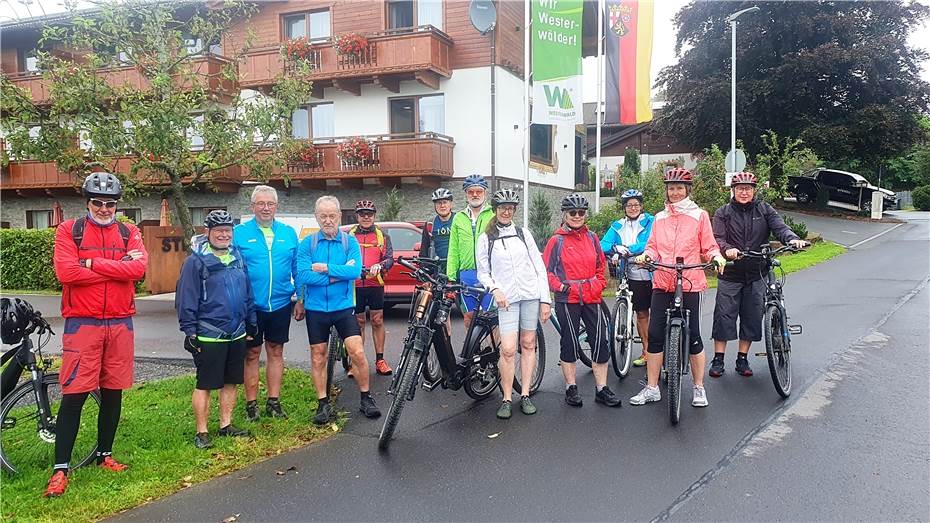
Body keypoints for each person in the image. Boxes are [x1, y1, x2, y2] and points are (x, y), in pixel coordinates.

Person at [46, 172, 148, 497]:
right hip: (82, 323)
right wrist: (115, 265)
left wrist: (90, 263)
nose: (104, 208)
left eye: (110, 203)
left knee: (113, 392)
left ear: (117, 205)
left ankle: (105, 455)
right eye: (98, 203)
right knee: (74, 395)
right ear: (88, 202)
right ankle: (60, 469)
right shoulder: (69, 231)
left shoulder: (129, 231)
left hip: (120, 322)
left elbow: (138, 270)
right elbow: (66, 272)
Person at [630, 168, 726, 409]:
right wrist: (646, 255)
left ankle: (698, 387)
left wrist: (716, 256)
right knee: (655, 335)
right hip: (663, 279)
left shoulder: (699, 215)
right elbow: (653, 246)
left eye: (679, 188)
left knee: (693, 334)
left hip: (691, 280)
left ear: (687, 190)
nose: (675, 192)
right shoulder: (659, 218)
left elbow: (709, 244)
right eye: (671, 188)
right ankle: (652, 388)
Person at [710, 172, 808, 378]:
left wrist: (792, 239)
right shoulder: (723, 212)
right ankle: (718, 359)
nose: (744, 192)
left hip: (757, 272)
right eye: (739, 189)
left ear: (754, 191)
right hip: (731, 273)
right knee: (724, 316)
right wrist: (727, 249)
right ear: (733, 191)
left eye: (748, 189)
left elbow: (780, 228)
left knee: (752, 316)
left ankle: (742, 359)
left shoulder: (764, 209)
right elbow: (717, 238)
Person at [297, 196, 381, 425]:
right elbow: (303, 276)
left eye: (332, 215)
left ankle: (366, 398)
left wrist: (325, 269)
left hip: (343, 307)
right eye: (323, 216)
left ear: (339, 216)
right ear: (316, 217)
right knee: (318, 356)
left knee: (357, 352)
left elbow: (355, 273)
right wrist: (338, 275)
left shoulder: (349, 242)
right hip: (316, 309)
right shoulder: (307, 244)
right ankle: (323, 403)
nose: (328, 220)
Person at [177, 210, 257, 449]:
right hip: (209, 333)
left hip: (237, 332)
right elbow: (185, 299)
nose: (224, 235)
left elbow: (247, 293)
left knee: (231, 382)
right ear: (207, 232)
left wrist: (251, 320)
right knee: (205, 384)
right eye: (219, 231)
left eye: (227, 231)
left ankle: (226, 425)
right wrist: (189, 331)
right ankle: (201, 432)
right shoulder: (195, 261)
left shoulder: (238, 257)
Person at [475, 189, 551, 419]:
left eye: (510, 208)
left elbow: (539, 267)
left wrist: (545, 300)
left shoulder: (523, 233)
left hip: (529, 294)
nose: (507, 212)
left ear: (515, 210)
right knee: (507, 349)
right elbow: (483, 273)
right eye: (502, 208)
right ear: (495, 210)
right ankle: (507, 397)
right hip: (506, 299)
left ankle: (525, 394)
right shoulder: (486, 238)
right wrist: (494, 288)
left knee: (528, 343)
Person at [544, 193, 621, 408]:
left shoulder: (592, 238)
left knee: (599, 341)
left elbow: (600, 265)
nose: (577, 216)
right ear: (565, 214)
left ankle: (601, 389)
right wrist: (560, 286)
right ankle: (571, 387)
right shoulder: (556, 240)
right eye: (573, 213)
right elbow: (547, 271)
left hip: (590, 295)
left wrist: (598, 284)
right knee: (569, 342)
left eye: (581, 213)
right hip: (567, 298)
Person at [233, 185, 301, 422]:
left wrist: (300, 298)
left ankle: (274, 401)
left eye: (270, 204)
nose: (265, 208)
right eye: (260, 204)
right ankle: (251, 404)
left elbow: (297, 268)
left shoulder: (288, 233)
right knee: (251, 354)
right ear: (252, 207)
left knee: (276, 350)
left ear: (276, 207)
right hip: (250, 307)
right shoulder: (239, 233)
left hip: (281, 303)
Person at [600, 189, 655, 368]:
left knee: (658, 314)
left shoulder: (651, 221)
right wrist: (616, 248)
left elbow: (650, 243)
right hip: (631, 274)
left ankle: (661, 350)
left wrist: (629, 249)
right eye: (629, 205)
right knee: (641, 314)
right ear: (624, 208)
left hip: (652, 272)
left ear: (641, 206)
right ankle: (647, 352)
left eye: (636, 205)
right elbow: (603, 244)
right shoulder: (618, 225)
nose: (633, 208)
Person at [349, 200, 394, 376]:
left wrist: (381, 265)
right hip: (355, 284)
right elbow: (343, 256)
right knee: (358, 322)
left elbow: (390, 258)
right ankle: (357, 362)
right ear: (357, 216)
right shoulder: (350, 235)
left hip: (375, 283)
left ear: (374, 216)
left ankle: (380, 360)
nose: (366, 217)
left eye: (369, 214)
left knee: (377, 320)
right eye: (362, 214)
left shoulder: (383, 235)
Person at [446, 174, 495, 328]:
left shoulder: (494, 215)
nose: (475, 194)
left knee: (491, 316)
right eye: (471, 191)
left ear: (485, 193)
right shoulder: (458, 218)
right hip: (466, 273)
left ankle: (493, 352)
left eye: (479, 191)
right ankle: (472, 352)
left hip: (490, 273)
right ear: (466, 194)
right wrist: (451, 277)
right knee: (468, 316)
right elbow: (453, 249)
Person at [419, 187, 455, 276]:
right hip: (437, 270)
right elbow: (424, 251)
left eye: (445, 202)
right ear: (435, 206)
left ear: (451, 204)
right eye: (439, 203)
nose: (442, 206)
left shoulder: (459, 220)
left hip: (456, 268)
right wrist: (425, 270)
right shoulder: (430, 224)